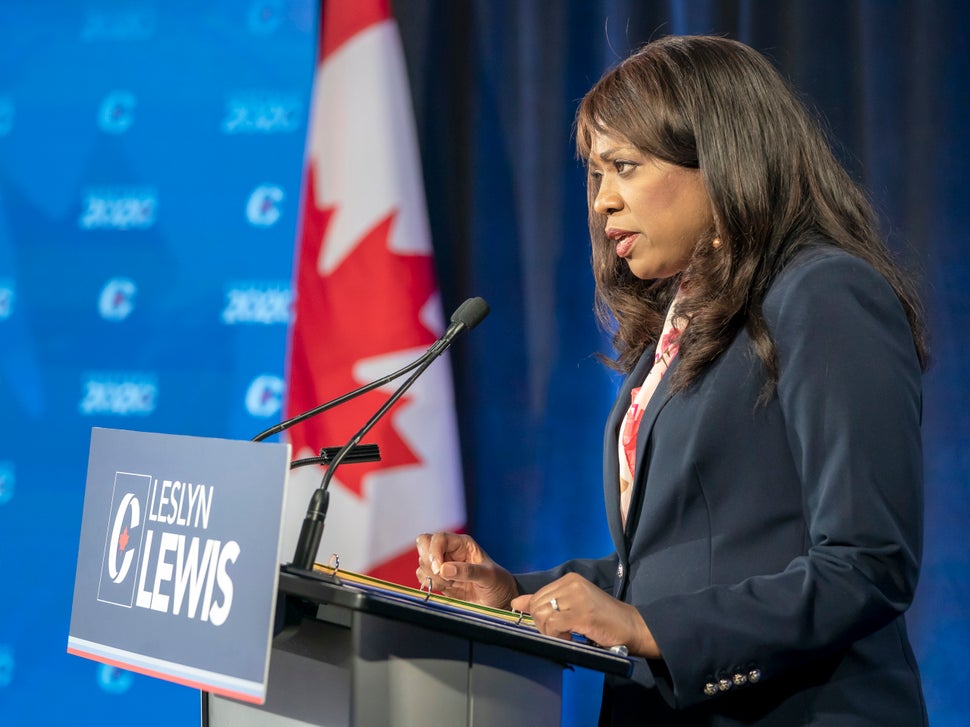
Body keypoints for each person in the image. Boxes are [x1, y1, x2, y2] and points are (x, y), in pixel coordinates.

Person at [416, 35, 928, 726]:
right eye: (596, 174)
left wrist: (649, 629)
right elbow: (670, 564)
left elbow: (867, 564)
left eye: (624, 166)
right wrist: (513, 591)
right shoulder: (686, 317)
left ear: (721, 160)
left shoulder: (824, 294)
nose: (602, 202)